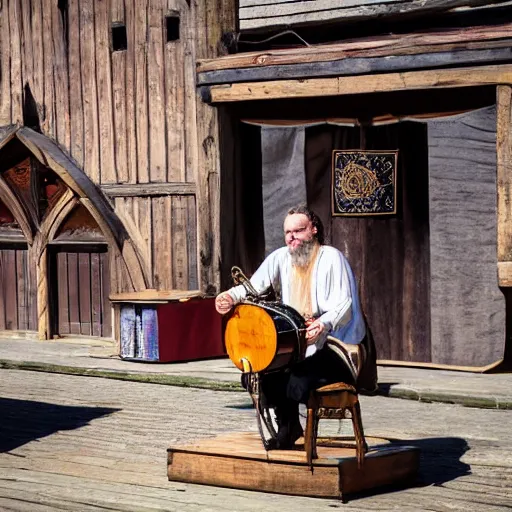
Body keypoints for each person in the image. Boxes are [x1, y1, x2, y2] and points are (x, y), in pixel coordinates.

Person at [215, 205, 376, 449]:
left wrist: (323, 324)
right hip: (300, 345)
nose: (292, 237)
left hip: (337, 347)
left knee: (296, 380)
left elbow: (345, 305)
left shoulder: (332, 258)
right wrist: (230, 296)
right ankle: (288, 427)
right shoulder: (281, 257)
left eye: (298, 230)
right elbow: (253, 286)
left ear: (313, 230)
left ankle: (290, 429)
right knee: (259, 375)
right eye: (287, 232)